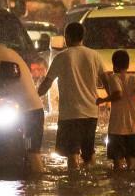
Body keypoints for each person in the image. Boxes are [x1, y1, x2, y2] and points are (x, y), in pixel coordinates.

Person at [38, 22, 109, 171]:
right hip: (91, 113)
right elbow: (106, 82)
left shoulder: (62, 57)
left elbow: (47, 84)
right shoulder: (95, 56)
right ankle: (91, 185)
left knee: (72, 154)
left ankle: (73, 186)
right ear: (83, 37)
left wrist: (33, 97)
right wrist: (110, 101)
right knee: (89, 155)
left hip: (70, 115)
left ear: (67, 37)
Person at [0, 41, 46, 174]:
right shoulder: (8, 51)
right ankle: (33, 187)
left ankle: (37, 182)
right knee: (28, 151)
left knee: (31, 151)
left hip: (28, 113)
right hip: (32, 111)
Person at [96, 50, 135, 171]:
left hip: (117, 127)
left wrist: (102, 100)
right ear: (128, 65)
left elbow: (118, 94)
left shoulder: (113, 78)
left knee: (117, 162)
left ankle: (119, 186)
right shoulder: (134, 78)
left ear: (114, 65)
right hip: (134, 126)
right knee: (131, 160)